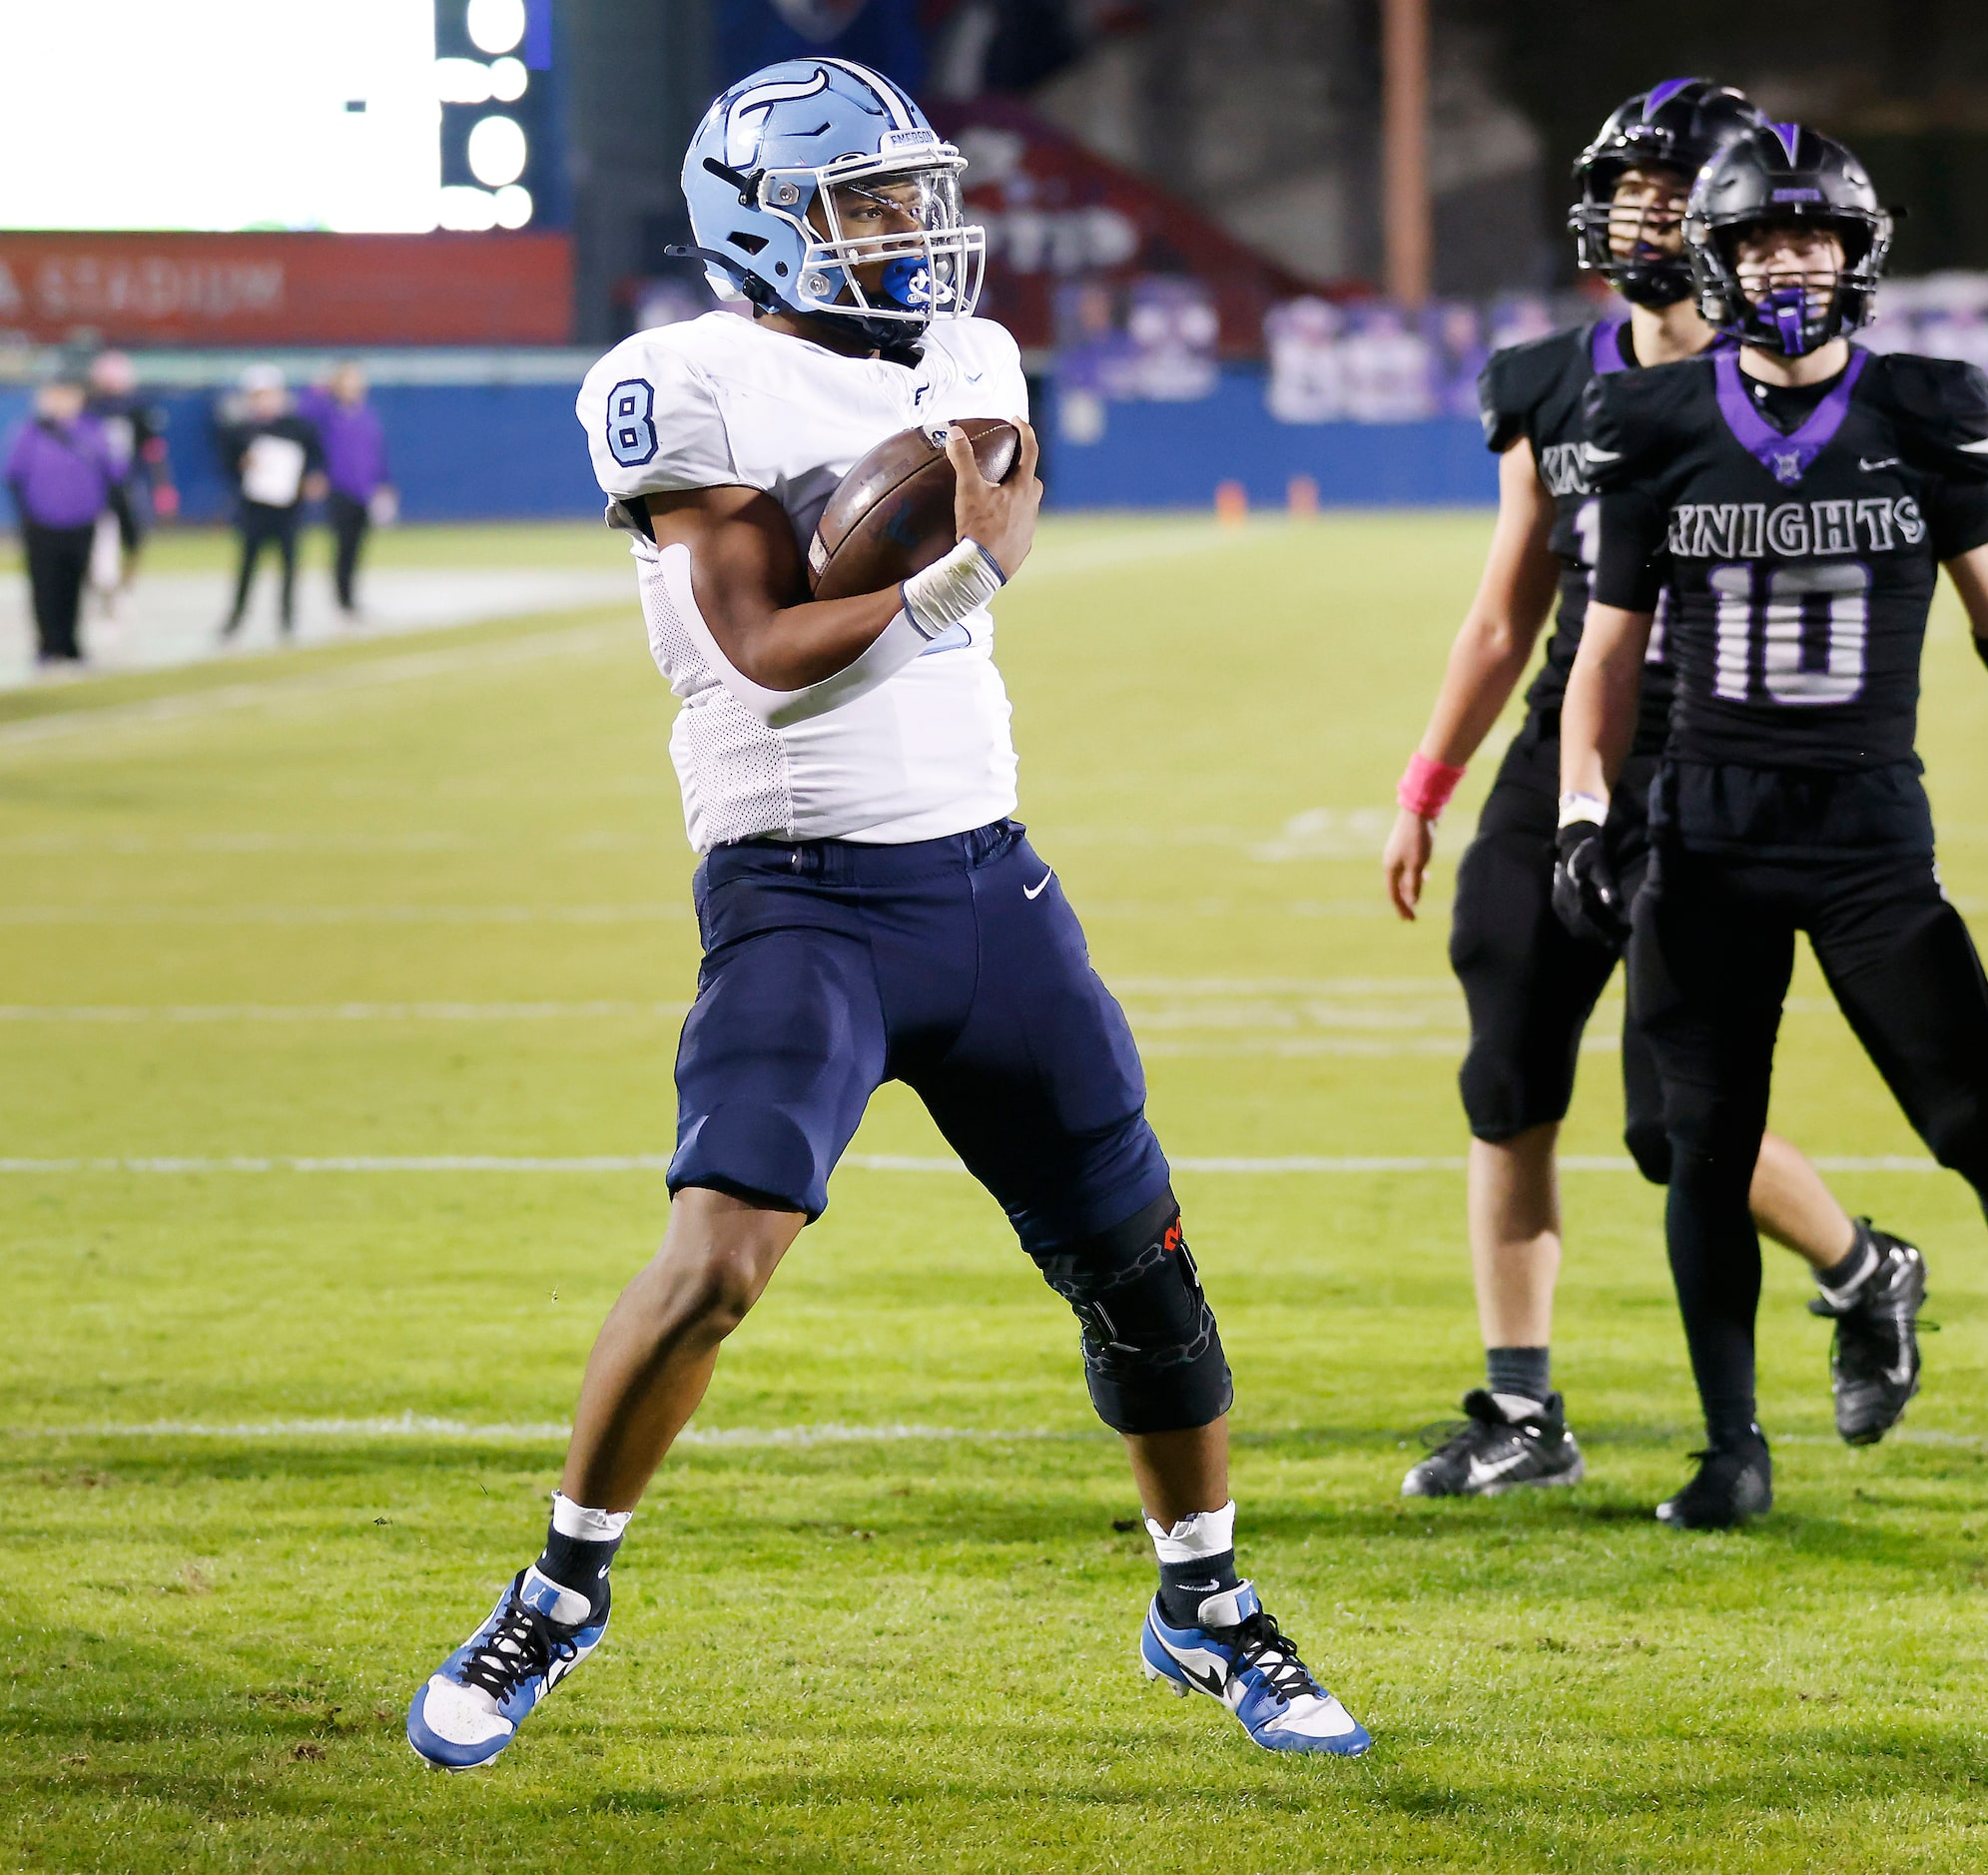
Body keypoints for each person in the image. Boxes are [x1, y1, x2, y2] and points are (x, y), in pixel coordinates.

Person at [404, 59, 1370, 1774]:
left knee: (1139, 1267)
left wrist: (953, 537)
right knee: (717, 1260)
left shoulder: (965, 350)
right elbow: (761, 658)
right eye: (862, 206)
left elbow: (996, 481)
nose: (909, 232)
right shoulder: (677, 382)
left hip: (990, 885)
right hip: (802, 898)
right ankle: (555, 1593)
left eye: (915, 197)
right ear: (754, 227)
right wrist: (949, 575)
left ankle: (1205, 1603)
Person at [1556, 123, 1988, 1530]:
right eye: (1760, 242)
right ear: (1717, 263)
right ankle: (1730, 1445)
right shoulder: (1657, 423)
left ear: (1859, 254)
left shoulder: (1922, 410)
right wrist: (1581, 808)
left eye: (1814, 239)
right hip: (1711, 843)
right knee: (1706, 1142)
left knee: (1975, 1122)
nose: (1790, 263)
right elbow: (1606, 655)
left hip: (1869, 845)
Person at [1383, 82, 1928, 1504]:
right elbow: (1508, 611)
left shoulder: (1789, 390)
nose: (1645, 214)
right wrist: (1427, 783)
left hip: (1715, 763)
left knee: (1662, 1122)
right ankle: (1520, 1408)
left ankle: (1866, 1264)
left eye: (1673, 189)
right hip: (1563, 750)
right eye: (1627, 188)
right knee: (1504, 1073)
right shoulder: (1546, 381)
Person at [4, 375, 120, 669]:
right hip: (42, 522)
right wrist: (28, 514)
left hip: (82, 520)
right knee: (44, 585)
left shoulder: (94, 429)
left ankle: (70, 644)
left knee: (75, 583)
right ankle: (48, 645)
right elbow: (13, 474)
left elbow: (115, 471)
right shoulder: (31, 432)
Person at [216, 363, 326, 641]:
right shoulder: (240, 430)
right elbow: (228, 466)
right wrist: (241, 465)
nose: (264, 401)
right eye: (258, 395)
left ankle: (287, 619)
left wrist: (313, 479)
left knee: (289, 564)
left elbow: (316, 458)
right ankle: (236, 617)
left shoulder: (297, 427)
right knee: (248, 564)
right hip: (255, 508)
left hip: (289, 507)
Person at [83, 350, 176, 616]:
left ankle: (124, 588)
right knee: (93, 540)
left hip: (128, 482)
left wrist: (163, 486)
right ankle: (100, 591)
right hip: (96, 485)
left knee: (134, 538)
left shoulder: (138, 408)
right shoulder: (90, 406)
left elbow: (154, 449)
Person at [300, 362, 394, 617]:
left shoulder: (367, 416)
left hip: (365, 490)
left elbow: (377, 454)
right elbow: (303, 411)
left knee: (357, 546)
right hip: (339, 489)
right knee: (342, 545)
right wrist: (318, 389)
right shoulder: (329, 414)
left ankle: (351, 597)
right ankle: (342, 599)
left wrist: (384, 484)